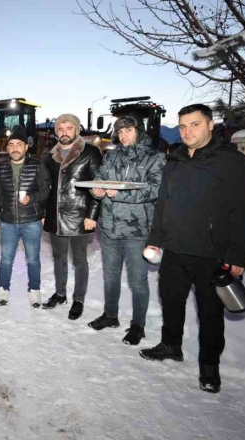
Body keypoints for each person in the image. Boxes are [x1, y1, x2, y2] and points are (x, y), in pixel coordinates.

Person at [139, 104, 245, 394]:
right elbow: (162, 203)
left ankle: (209, 367)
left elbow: (243, 211)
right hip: (175, 249)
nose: (188, 131)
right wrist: (156, 238)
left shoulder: (233, 162)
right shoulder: (174, 161)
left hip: (212, 253)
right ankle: (171, 345)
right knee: (171, 300)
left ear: (211, 125)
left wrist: (237, 254)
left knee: (210, 313)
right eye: (183, 126)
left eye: (195, 124)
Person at [88, 115, 166, 346]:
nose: (123, 136)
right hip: (110, 228)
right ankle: (110, 315)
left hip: (137, 230)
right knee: (110, 276)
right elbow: (99, 180)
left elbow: (155, 190)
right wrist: (97, 191)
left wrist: (119, 194)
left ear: (139, 132)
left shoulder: (155, 158)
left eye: (128, 130)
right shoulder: (111, 156)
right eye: (120, 131)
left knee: (137, 281)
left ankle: (138, 325)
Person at [41, 114, 102, 320]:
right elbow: (45, 187)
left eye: (68, 128)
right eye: (60, 129)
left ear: (76, 129)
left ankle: (78, 300)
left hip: (79, 214)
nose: (64, 132)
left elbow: (97, 186)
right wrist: (43, 213)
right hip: (55, 215)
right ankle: (60, 294)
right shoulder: (49, 155)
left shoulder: (90, 152)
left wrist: (92, 215)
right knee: (59, 258)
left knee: (79, 260)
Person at [0, 126, 51, 306]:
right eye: (11, 145)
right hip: (8, 222)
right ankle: (3, 289)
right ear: (7, 148)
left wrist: (31, 199)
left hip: (31, 221)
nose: (15, 148)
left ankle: (34, 290)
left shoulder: (38, 165)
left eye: (19, 144)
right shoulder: (0, 168)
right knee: (6, 258)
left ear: (26, 147)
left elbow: (46, 191)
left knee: (33, 259)